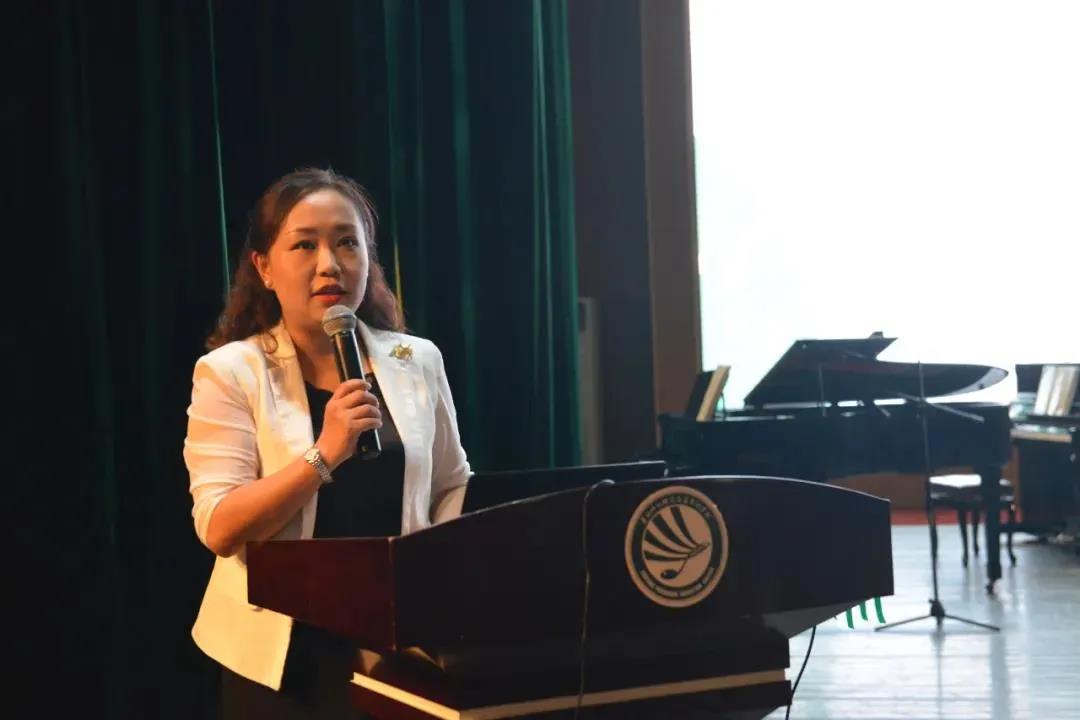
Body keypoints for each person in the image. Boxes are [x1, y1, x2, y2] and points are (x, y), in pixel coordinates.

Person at [183, 167, 471, 718]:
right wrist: (325, 453)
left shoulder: (417, 359)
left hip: (397, 646)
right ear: (264, 267)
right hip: (285, 658)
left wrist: (441, 583)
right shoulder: (231, 371)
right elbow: (220, 527)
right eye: (305, 245)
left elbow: (452, 484)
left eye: (346, 243)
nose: (329, 264)